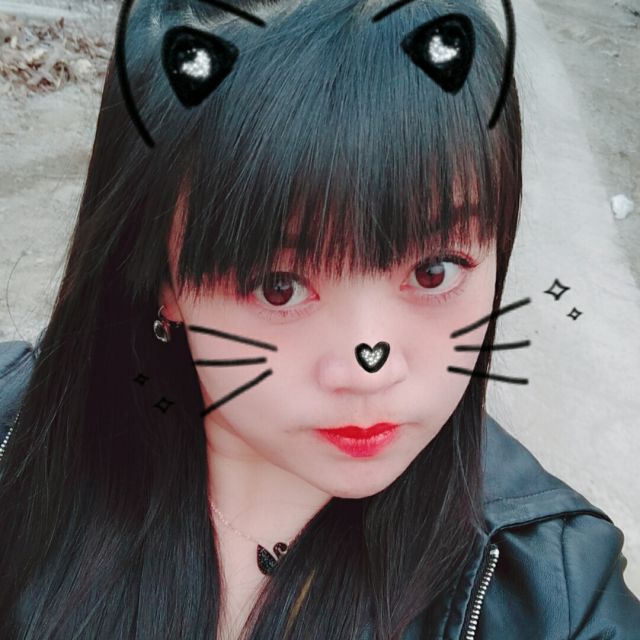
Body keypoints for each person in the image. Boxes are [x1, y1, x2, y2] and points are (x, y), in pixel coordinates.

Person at [1, 0, 639, 638]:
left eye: (434, 271)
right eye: (278, 286)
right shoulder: (15, 449)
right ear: (162, 281)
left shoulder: (554, 596)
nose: (368, 367)